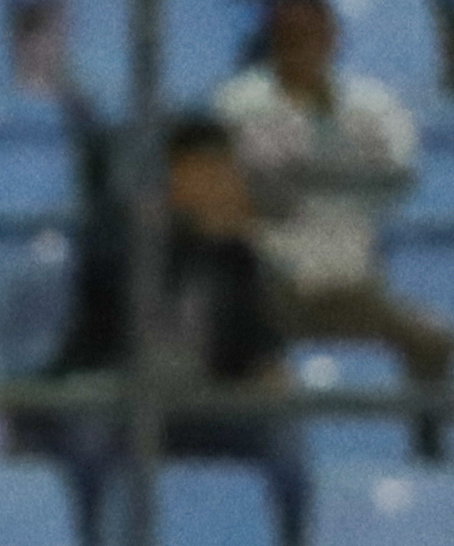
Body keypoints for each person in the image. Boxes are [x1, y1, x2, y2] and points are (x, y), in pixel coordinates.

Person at [210, 0, 454, 380]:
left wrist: (306, 166)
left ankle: (423, 443)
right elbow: (232, 190)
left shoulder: (373, 104)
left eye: (311, 34)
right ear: (272, 38)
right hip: (265, 283)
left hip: (348, 285)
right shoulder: (236, 103)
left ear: (332, 38)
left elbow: (398, 173)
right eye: (288, 34)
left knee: (434, 342)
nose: (300, 45)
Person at [45, 113, 295, 482]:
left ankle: (292, 539)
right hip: (123, 391)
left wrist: (266, 365)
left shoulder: (236, 255)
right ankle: (90, 536)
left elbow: (258, 344)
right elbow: (103, 295)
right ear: (173, 174)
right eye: (204, 172)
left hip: (205, 396)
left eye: (224, 173)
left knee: (281, 435)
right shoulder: (124, 231)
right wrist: (187, 232)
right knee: (90, 428)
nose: (220, 185)